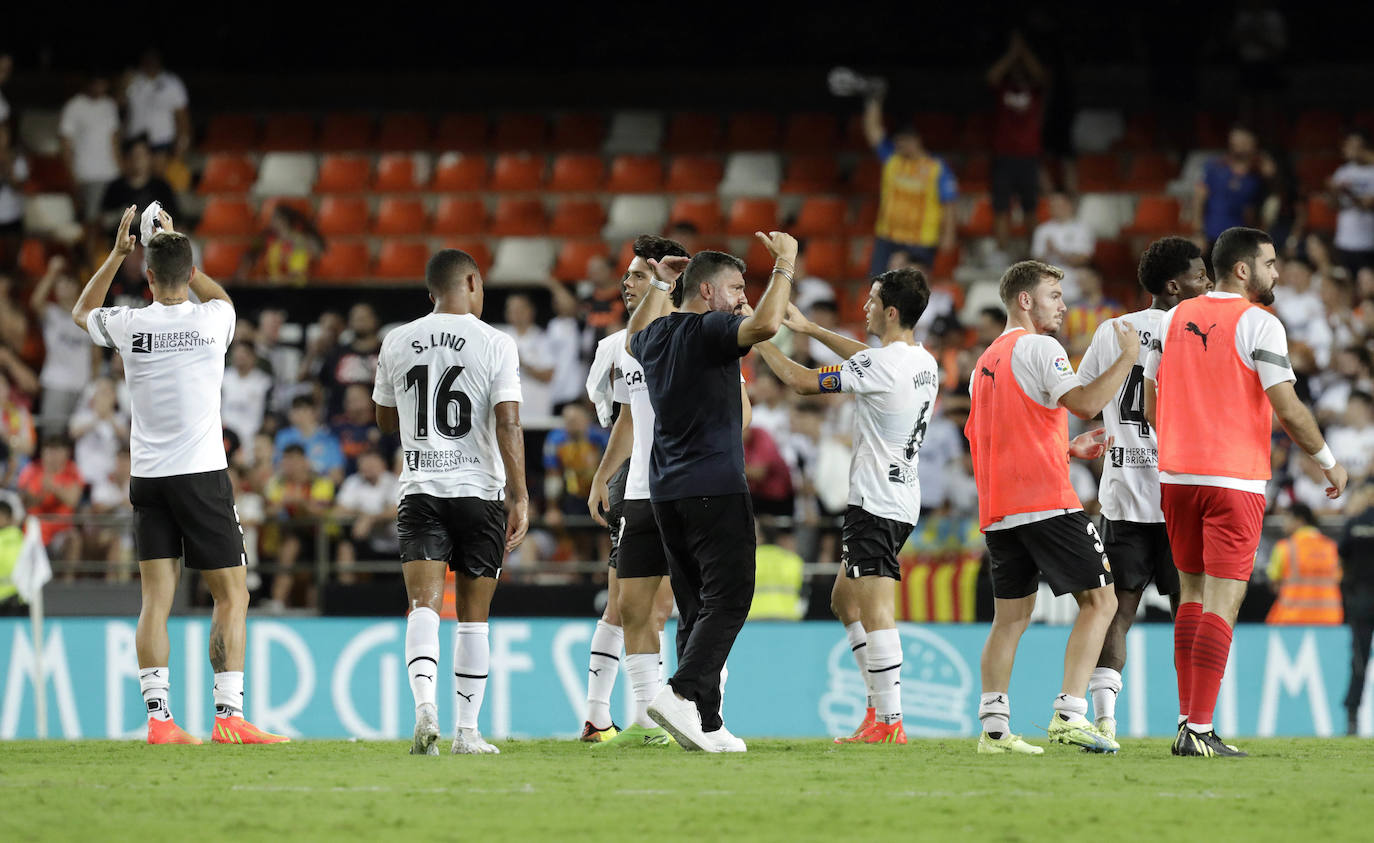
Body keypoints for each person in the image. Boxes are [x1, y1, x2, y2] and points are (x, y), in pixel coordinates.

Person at [71, 205, 286, 744]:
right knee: (232, 595)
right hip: (201, 476)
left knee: (155, 601)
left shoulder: (130, 323)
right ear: (190, 274)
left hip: (148, 479)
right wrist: (176, 246)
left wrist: (119, 253)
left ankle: (159, 721)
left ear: (145, 278)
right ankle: (228, 717)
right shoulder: (212, 321)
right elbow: (222, 298)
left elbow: (81, 312)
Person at [1144, 226, 1348, 757]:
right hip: (1233, 479)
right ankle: (1201, 728)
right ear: (1243, 269)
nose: (1277, 272)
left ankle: (1188, 721)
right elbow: (1285, 404)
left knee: (1188, 596)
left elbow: (1150, 406)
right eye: (1271, 263)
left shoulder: (1170, 320)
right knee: (1222, 603)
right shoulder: (1260, 323)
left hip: (1177, 477)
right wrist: (1327, 461)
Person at [625, 230, 797, 752]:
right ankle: (679, 695)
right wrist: (785, 265)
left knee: (696, 604)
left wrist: (659, 281)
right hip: (715, 485)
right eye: (736, 287)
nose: (743, 296)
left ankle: (705, 721)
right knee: (731, 596)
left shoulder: (654, 336)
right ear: (706, 294)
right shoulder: (712, 329)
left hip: (665, 491)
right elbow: (767, 324)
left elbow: (633, 334)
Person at [751, 267, 939, 745]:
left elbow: (799, 381)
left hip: (876, 500)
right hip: (899, 496)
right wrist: (811, 329)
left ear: (890, 311)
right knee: (843, 600)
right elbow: (869, 359)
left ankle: (889, 720)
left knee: (875, 609)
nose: (864, 307)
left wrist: (756, 339)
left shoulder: (882, 366)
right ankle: (878, 710)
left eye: (872, 300)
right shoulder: (921, 360)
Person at [965, 259, 1139, 755]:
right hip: (1046, 501)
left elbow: (986, 438)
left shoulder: (985, 363)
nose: (1064, 306)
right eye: (1054, 296)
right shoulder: (1040, 346)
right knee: (1101, 601)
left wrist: (1064, 448)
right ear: (1025, 300)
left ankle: (994, 730)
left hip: (1000, 509)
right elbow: (1083, 402)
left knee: (1011, 618)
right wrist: (1125, 358)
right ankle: (1070, 714)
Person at [373, 248, 529, 756]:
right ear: (470, 282)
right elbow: (508, 421)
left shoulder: (398, 340)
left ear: (431, 290)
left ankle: (424, 708)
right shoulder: (495, 342)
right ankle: (467, 731)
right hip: (479, 492)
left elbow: (383, 420)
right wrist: (520, 494)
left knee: (422, 605)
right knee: (473, 617)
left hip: (420, 489)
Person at [1078, 236, 1213, 742]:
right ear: (1174, 285)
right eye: (1200, 276)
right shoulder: (1201, 331)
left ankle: (1105, 722)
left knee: (1117, 609)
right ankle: (1191, 722)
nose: (1208, 283)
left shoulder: (1114, 330)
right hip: (1183, 492)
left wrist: (1107, 431)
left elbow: (1084, 399)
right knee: (1189, 610)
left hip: (1124, 494)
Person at [582, 234, 703, 746]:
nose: (626, 283)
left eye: (637, 275)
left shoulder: (698, 334)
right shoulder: (618, 346)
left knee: (670, 608)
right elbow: (626, 418)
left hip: (687, 486)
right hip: (637, 488)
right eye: (628, 275)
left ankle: (686, 712)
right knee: (628, 605)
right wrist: (602, 476)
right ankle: (624, 717)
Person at [861, 89, 957, 274]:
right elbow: (873, 131)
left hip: (920, 240)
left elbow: (949, 203)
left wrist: (948, 235)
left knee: (912, 290)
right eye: (897, 142)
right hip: (887, 237)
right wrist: (874, 101)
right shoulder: (892, 160)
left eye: (903, 141)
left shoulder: (936, 167)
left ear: (916, 140)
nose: (900, 146)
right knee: (878, 283)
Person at [987, 31, 1049, 249]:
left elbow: (1041, 75)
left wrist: (1023, 52)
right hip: (1003, 156)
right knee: (1001, 208)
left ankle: (1032, 251)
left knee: (1030, 208)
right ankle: (1001, 252)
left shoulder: (1035, 89)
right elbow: (992, 76)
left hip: (1029, 157)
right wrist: (1012, 55)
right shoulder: (1003, 88)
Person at [30, 256, 96, 434]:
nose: (64, 287)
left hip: (83, 385)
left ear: (77, 287)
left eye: (68, 283)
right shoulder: (52, 313)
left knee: (81, 441)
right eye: (60, 284)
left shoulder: (87, 316)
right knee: (53, 436)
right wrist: (51, 274)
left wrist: (93, 382)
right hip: (56, 384)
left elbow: (95, 353)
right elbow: (35, 302)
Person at [1193, 127, 1271, 248]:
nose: (1240, 144)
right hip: (1211, 237)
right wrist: (1199, 233)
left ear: (1253, 143)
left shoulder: (1258, 176)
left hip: (1241, 240)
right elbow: (1198, 201)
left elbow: (1259, 212)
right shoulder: (1214, 167)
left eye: (1245, 141)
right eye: (1236, 140)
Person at [1265, 503, 1342, 625]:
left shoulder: (1284, 548)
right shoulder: (1331, 547)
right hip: (1329, 618)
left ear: (1299, 520)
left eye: (1287, 518)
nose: (1283, 523)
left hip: (1291, 619)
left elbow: (1274, 583)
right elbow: (1338, 577)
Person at [59, 72, 121, 222]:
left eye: (103, 83)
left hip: (112, 174)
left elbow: (114, 140)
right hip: (87, 174)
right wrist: (72, 175)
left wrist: (120, 167)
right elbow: (65, 145)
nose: (100, 87)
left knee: (113, 221)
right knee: (91, 221)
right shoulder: (74, 106)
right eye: (97, 83)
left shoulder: (110, 105)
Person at [1340, 483, 1374, 735]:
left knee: (1359, 661)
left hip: (1362, 599)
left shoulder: (1354, 524)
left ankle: (1352, 717)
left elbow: (1342, 554)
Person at [121, 50, 189, 171]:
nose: (150, 63)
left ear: (160, 61)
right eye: (147, 59)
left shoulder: (172, 83)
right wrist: (122, 84)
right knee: (136, 176)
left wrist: (182, 142)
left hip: (161, 140)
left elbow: (182, 116)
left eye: (153, 59)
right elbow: (120, 105)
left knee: (159, 177)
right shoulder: (133, 80)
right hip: (135, 140)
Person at [1030, 192, 1094, 302]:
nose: (1055, 209)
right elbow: (1036, 263)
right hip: (1049, 284)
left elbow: (1083, 259)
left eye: (1059, 205)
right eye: (1053, 206)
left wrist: (1057, 252)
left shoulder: (1082, 228)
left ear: (1069, 206)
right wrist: (1047, 252)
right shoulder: (1042, 230)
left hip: (1075, 283)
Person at [1329, 130, 1374, 279]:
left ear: (1365, 147)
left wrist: (1346, 191)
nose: (1346, 149)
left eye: (1352, 145)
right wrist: (1334, 193)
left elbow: (1368, 204)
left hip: (1367, 242)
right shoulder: (1343, 171)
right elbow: (1333, 205)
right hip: (1344, 239)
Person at [221, 342, 273, 446]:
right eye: (237, 354)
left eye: (244, 354)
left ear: (254, 357)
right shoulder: (223, 378)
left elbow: (270, 415)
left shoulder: (264, 382)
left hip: (252, 438)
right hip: (225, 437)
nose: (240, 358)